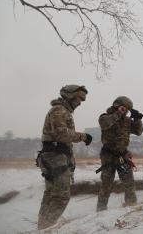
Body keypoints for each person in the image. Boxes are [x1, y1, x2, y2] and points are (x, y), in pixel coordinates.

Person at [37, 85, 93, 230]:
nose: (79, 103)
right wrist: (83, 136)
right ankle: (47, 227)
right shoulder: (59, 110)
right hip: (55, 158)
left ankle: (42, 228)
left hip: (56, 158)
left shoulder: (62, 111)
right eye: (78, 99)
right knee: (60, 197)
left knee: (51, 195)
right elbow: (61, 135)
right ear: (69, 96)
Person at [96, 96, 143, 212]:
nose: (125, 111)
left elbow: (138, 132)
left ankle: (131, 206)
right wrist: (118, 113)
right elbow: (105, 124)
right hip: (108, 155)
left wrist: (137, 119)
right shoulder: (105, 117)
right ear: (116, 106)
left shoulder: (126, 121)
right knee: (106, 184)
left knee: (129, 183)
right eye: (123, 108)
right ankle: (101, 211)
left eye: (127, 110)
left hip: (123, 155)